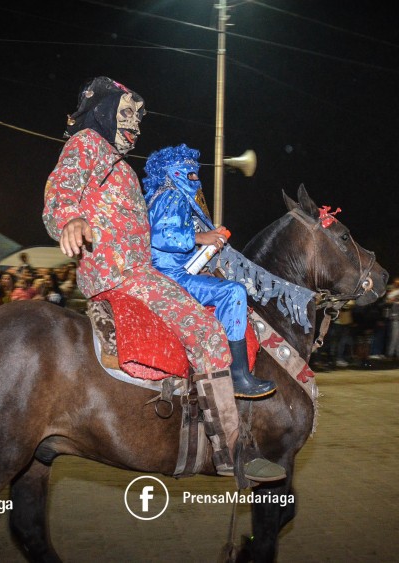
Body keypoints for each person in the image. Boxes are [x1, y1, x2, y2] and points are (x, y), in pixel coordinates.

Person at [42, 76, 284, 482]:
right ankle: (233, 453)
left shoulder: (115, 162)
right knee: (207, 332)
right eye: (127, 114)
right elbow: (59, 193)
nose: (136, 124)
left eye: (138, 117)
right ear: (104, 111)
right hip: (129, 276)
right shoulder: (87, 146)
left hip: (138, 273)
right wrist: (68, 220)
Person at [142, 144, 276, 397]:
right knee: (234, 292)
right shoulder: (172, 195)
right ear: (172, 173)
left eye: (196, 173)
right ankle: (238, 376)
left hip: (175, 272)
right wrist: (202, 237)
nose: (195, 178)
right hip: (171, 277)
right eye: (189, 173)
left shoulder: (163, 195)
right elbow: (163, 236)